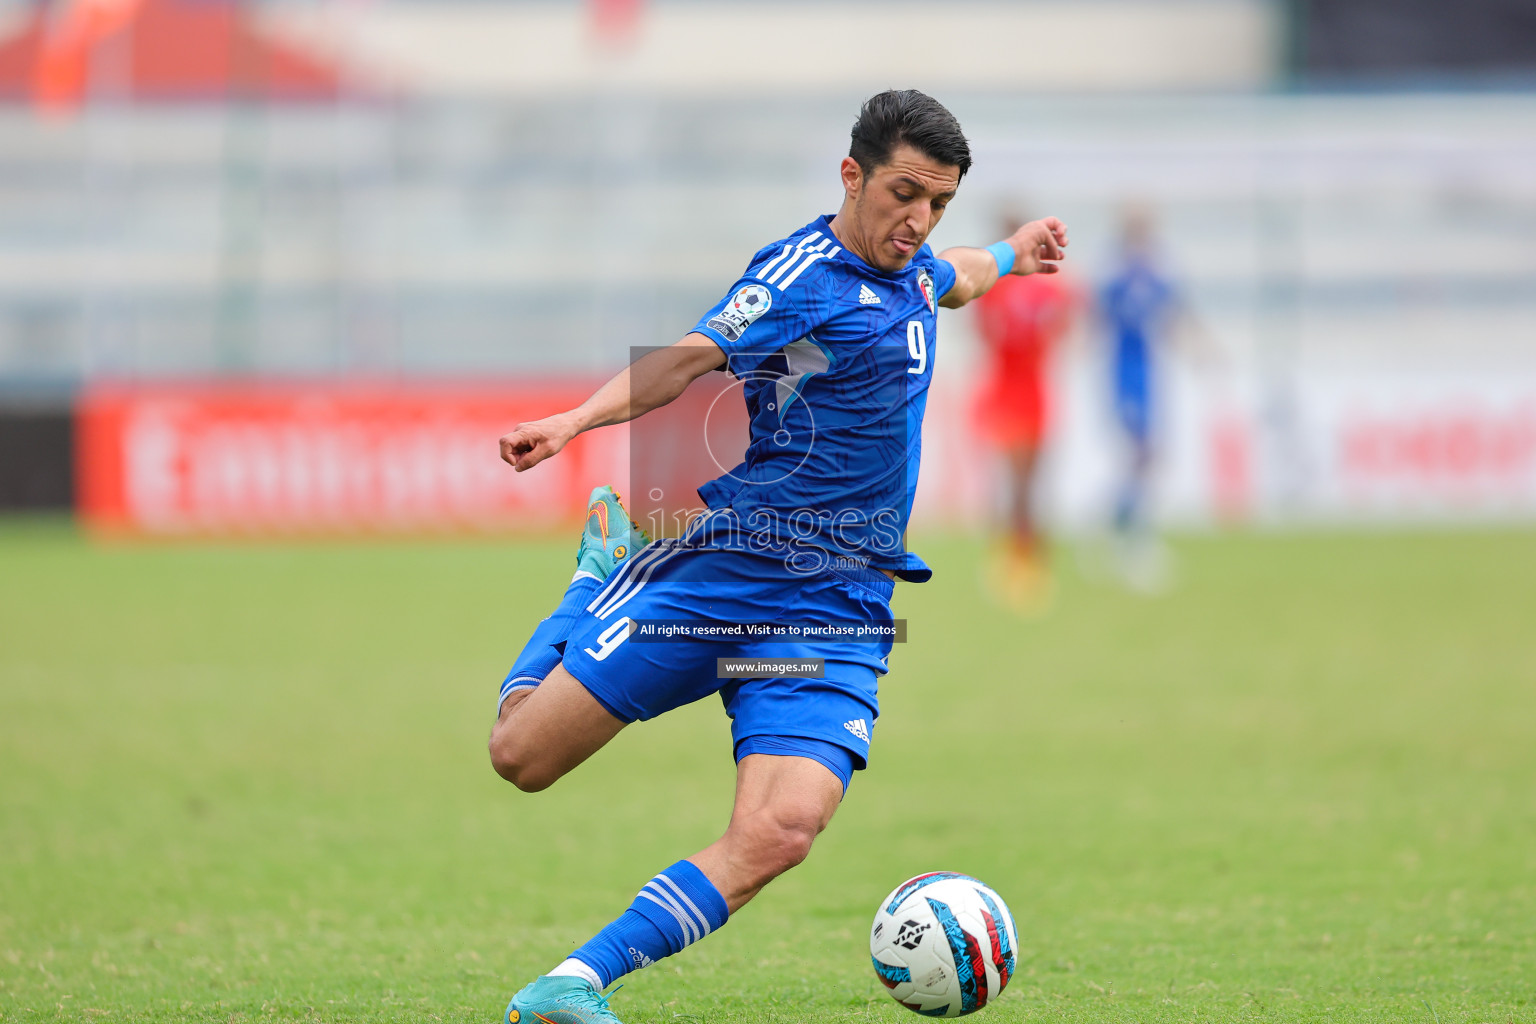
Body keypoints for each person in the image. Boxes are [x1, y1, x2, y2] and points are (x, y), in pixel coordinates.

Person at [489, 89, 1068, 1024]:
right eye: (904, 194)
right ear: (853, 175)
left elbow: (955, 275)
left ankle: (572, 984)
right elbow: (685, 360)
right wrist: (575, 421)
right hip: (730, 573)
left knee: (782, 830)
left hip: (837, 612)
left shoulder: (916, 270)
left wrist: (1011, 256)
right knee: (521, 756)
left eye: (938, 204)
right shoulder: (800, 275)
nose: (917, 221)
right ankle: (589, 586)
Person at [971, 208, 1081, 611]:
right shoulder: (1041, 288)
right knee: (1020, 481)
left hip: (1021, 388)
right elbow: (1063, 326)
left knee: (1025, 482)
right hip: (1016, 388)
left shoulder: (999, 286)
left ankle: (1023, 562)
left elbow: (985, 332)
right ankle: (1020, 561)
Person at [1097, 205, 1188, 590]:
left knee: (1148, 456)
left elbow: (1173, 316)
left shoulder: (1155, 274)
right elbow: (1096, 321)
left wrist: (1203, 352)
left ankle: (1122, 531)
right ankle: (1126, 538)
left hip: (1149, 375)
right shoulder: (1116, 277)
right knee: (1141, 453)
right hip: (1124, 375)